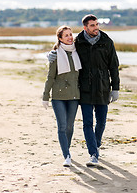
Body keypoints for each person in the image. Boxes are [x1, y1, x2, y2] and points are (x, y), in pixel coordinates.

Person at [48, 14, 120, 166]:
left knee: (101, 122)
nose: (96, 28)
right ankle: (93, 154)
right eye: (92, 25)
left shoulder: (106, 42)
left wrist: (115, 88)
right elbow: (64, 49)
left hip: (102, 88)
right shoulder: (78, 42)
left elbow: (113, 66)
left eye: (97, 24)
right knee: (88, 123)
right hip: (85, 89)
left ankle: (96, 143)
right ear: (85, 27)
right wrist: (50, 55)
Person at [42, 25, 82, 167]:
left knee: (70, 126)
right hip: (58, 97)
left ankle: (67, 149)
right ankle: (67, 155)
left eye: (71, 34)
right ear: (60, 38)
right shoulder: (55, 55)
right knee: (62, 126)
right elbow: (50, 77)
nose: (70, 37)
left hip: (74, 96)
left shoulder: (78, 52)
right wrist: (45, 96)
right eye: (66, 35)